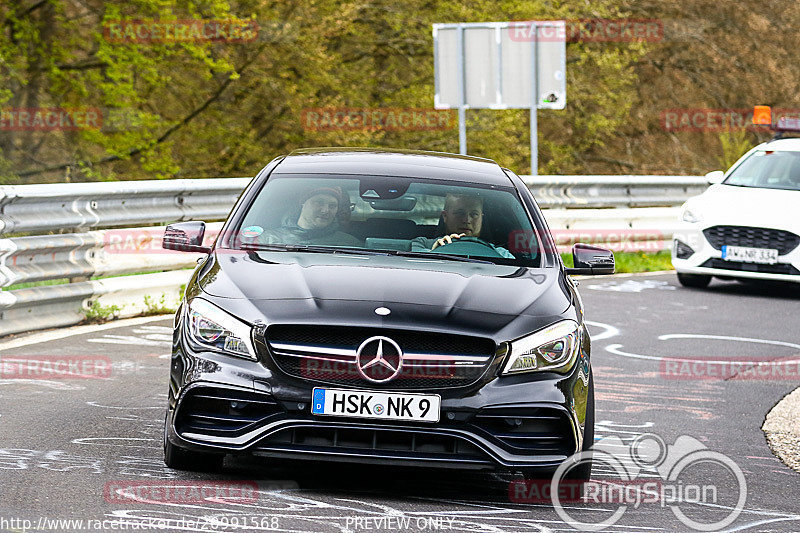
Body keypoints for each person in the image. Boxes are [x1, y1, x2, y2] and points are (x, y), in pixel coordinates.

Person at [411, 193, 514, 258]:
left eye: (474, 214)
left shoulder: (502, 254)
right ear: (445, 216)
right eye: (460, 213)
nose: (467, 220)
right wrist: (433, 252)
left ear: (481, 218)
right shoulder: (422, 244)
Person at [259, 187, 362, 247]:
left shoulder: (349, 244)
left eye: (332, 206)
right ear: (303, 203)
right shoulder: (267, 240)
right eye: (319, 202)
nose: (325, 210)